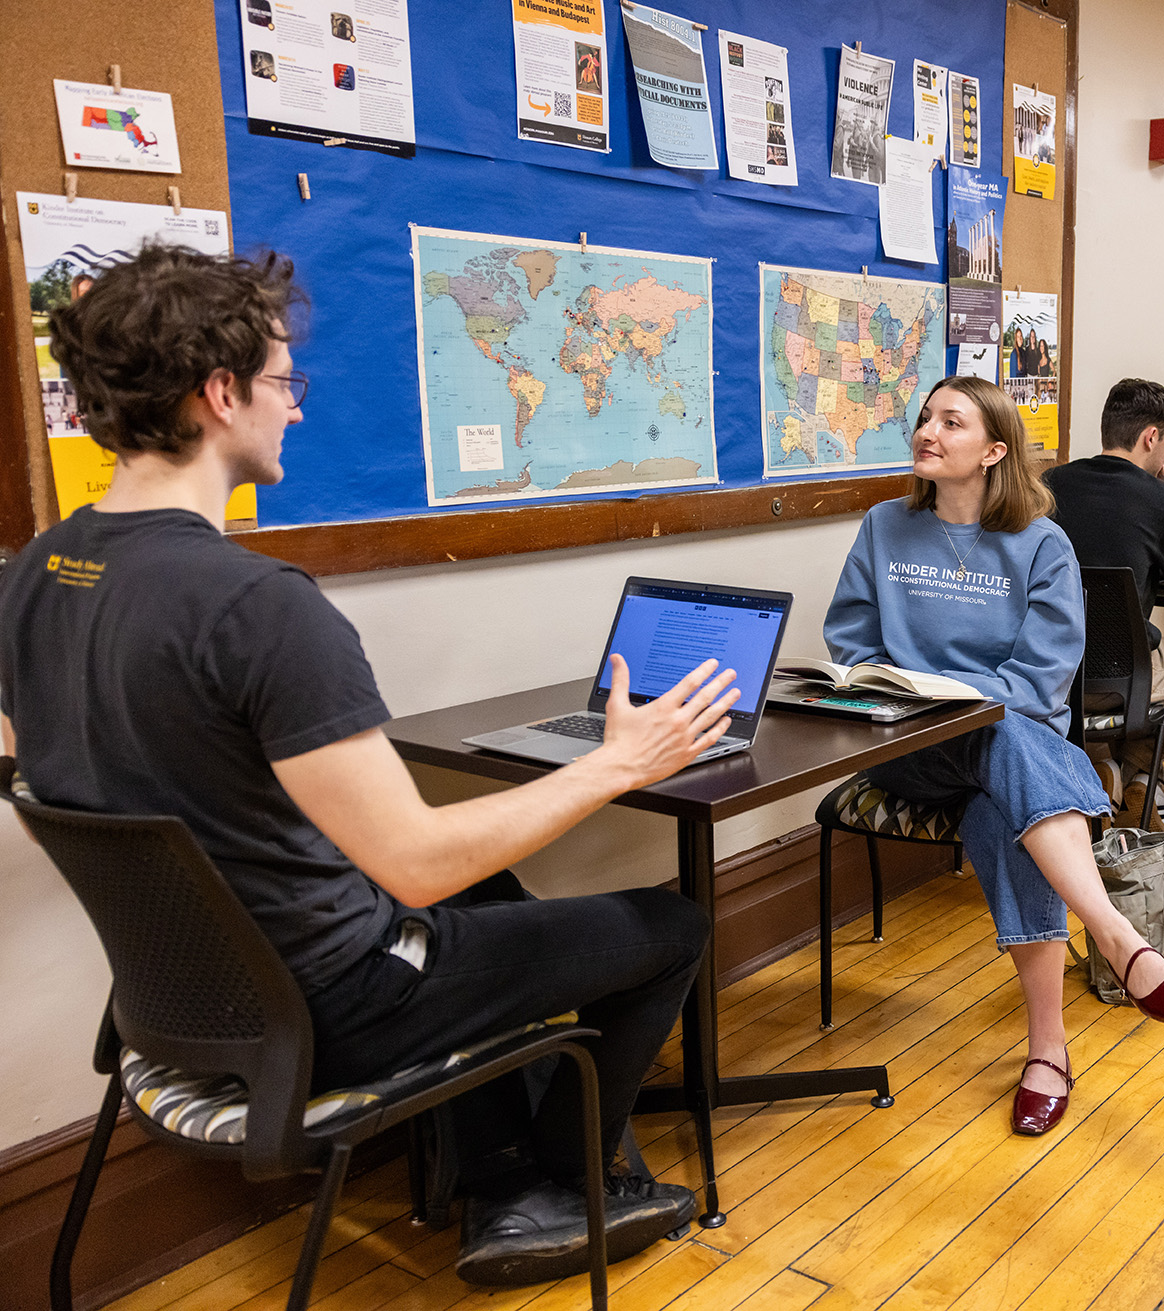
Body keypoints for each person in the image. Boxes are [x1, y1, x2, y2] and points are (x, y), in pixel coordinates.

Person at [0, 246, 745, 1289]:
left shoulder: (37, 569)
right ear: (219, 395)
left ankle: (496, 1175)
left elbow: (41, 761)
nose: (293, 411)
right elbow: (417, 869)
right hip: (328, 1008)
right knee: (671, 927)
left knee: (492, 897)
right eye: (280, 383)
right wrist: (622, 762)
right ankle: (558, 1185)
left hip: (177, 1003)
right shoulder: (260, 607)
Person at [824, 375, 1164, 1138]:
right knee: (1008, 749)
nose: (928, 430)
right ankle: (1116, 937)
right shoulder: (883, 527)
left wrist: (965, 697)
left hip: (1004, 741)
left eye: (951, 422)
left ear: (995, 450)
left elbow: (1037, 681)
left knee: (1000, 788)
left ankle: (1047, 1051)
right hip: (911, 744)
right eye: (926, 417)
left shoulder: (1042, 544)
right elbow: (851, 645)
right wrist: (922, 693)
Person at [1046, 378, 1164, 813]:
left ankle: (1101, 763)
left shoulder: (1048, 483)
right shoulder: (1163, 500)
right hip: (1117, 677)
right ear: (1150, 437)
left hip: (1048, 670)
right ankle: (1141, 772)